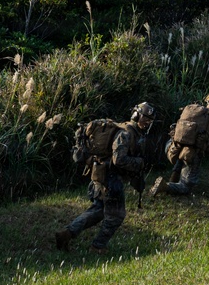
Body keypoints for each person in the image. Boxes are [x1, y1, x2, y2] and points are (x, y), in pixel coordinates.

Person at [55, 102, 154, 254]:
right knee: (116, 215)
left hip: (102, 174)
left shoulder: (131, 131)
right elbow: (118, 160)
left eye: (150, 119)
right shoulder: (126, 133)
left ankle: (66, 234)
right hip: (110, 178)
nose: (147, 122)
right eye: (145, 118)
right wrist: (138, 163)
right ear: (136, 115)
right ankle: (98, 246)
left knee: (98, 210)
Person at [149, 92, 209, 197]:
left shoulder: (191, 109)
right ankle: (165, 186)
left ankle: (172, 180)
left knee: (185, 149)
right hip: (191, 153)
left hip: (172, 146)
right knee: (186, 187)